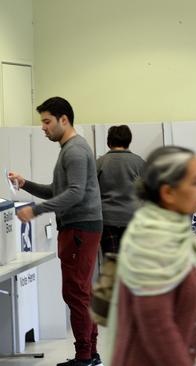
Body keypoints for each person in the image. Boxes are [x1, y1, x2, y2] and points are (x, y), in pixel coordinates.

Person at [106, 146, 196, 366]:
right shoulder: (151, 240)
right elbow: (157, 326)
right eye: (195, 182)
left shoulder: (175, 232)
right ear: (168, 193)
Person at [10, 97, 104, 366]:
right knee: (82, 292)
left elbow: (74, 194)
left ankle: (84, 355)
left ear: (64, 119)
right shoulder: (71, 149)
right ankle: (91, 353)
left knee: (75, 293)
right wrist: (25, 183)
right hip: (80, 228)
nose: (43, 128)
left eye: (47, 121)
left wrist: (36, 211)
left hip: (79, 228)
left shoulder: (74, 151)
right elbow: (58, 190)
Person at [96, 125, 145, 255]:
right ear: (128, 141)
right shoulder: (139, 163)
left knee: (112, 265)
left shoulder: (99, 163)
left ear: (108, 142)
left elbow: (90, 192)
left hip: (107, 220)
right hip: (133, 220)